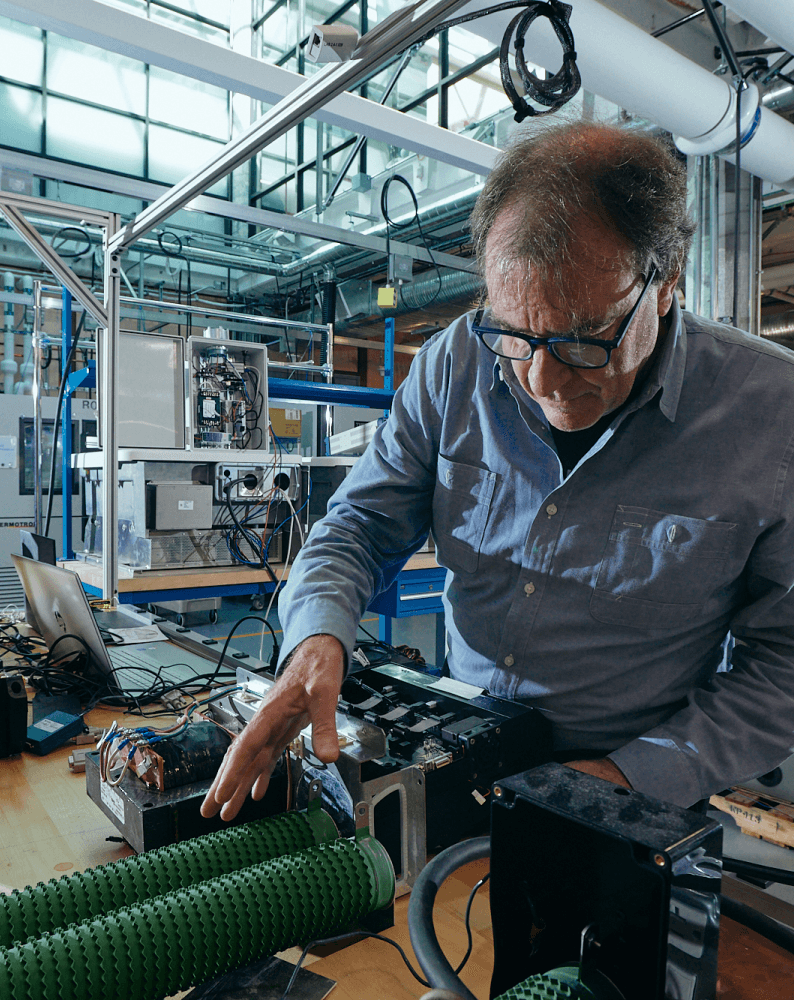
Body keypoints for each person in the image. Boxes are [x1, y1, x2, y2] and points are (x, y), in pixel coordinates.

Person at [202, 120, 794, 822]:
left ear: (666, 280)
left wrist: (629, 776)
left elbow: (783, 663)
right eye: (516, 334)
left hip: (627, 793)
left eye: (583, 338)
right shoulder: (456, 361)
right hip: (459, 747)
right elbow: (360, 524)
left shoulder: (770, 414)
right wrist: (316, 637)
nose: (542, 380)